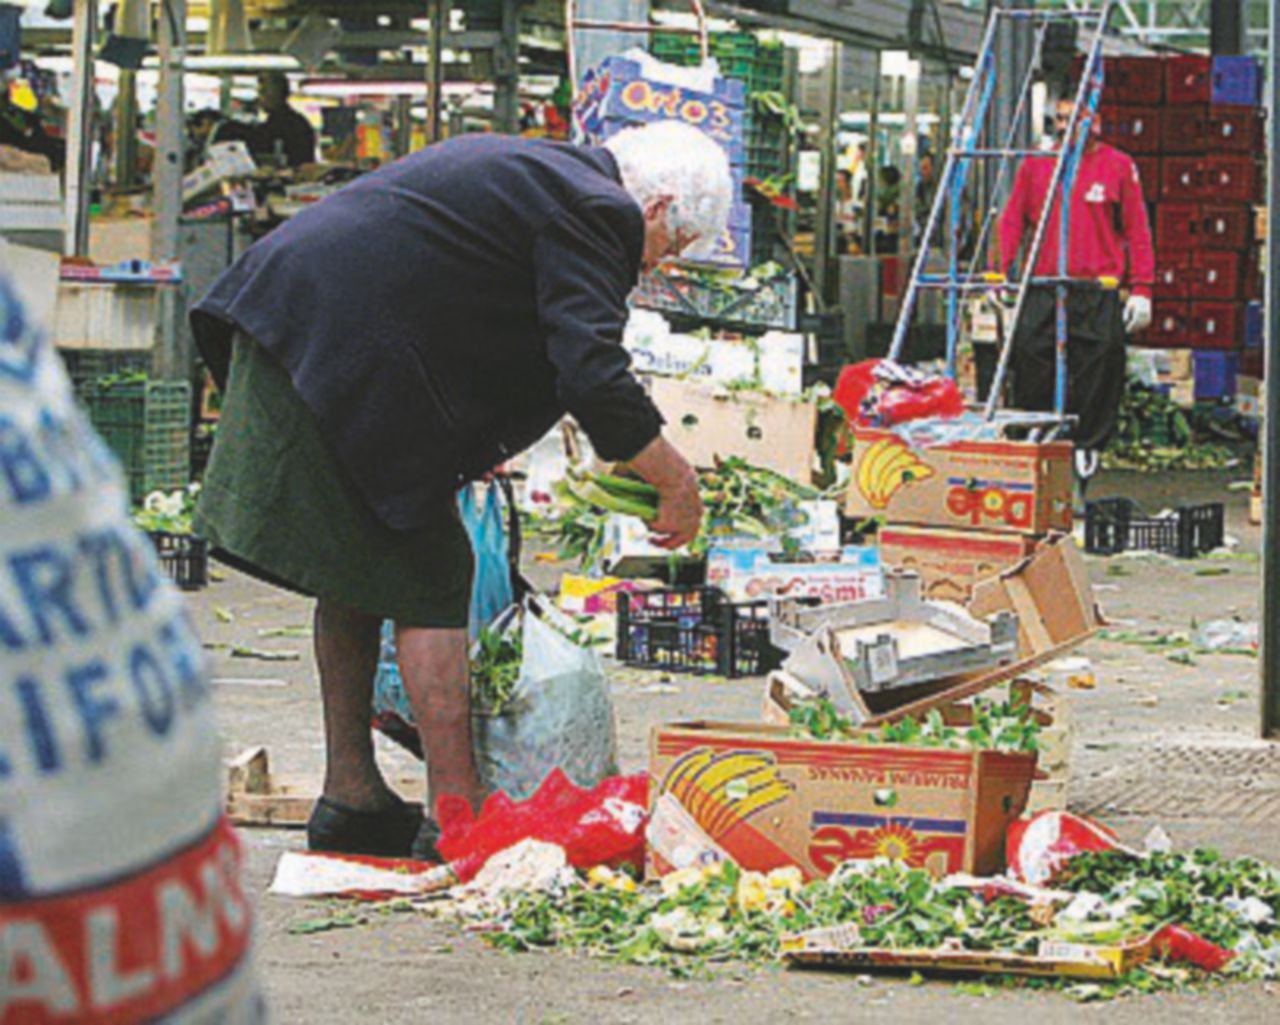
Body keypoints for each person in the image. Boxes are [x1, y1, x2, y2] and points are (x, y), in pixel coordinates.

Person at [190, 121, 731, 860]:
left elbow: (461, 292)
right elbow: (592, 370)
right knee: (432, 574)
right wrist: (676, 479)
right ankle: (459, 817)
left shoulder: (547, 173)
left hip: (302, 326)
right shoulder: (600, 209)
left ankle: (351, 794)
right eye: (667, 249)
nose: (648, 268)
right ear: (660, 206)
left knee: (360, 566)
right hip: (336, 349)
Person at [998, 98, 1154, 496]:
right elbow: (1014, 217)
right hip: (1045, 282)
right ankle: (1036, 430)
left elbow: (1137, 229)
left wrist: (1142, 288)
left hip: (1096, 287)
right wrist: (1000, 270)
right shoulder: (1036, 166)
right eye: (1061, 119)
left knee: (1102, 356)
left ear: (1096, 122)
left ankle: (1086, 443)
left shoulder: (1118, 166)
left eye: (1077, 119)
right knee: (1030, 351)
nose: (1067, 126)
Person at [249, 71, 316, 168]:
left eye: (263, 92)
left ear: (277, 93)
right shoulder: (300, 122)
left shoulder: (275, 127)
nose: (259, 98)